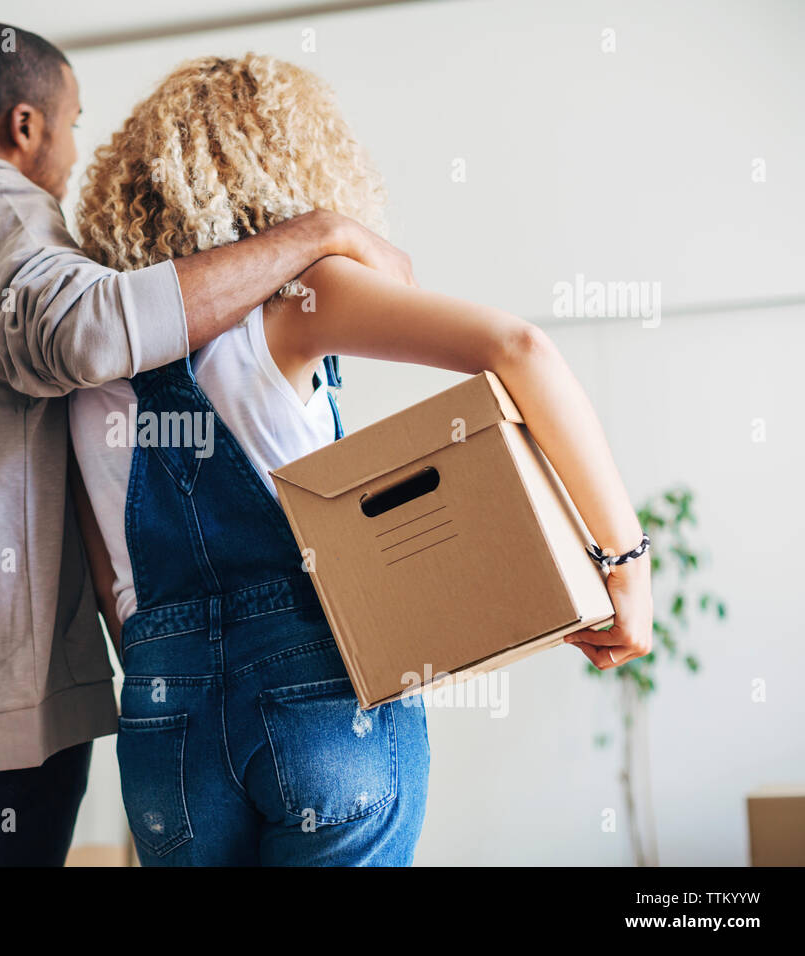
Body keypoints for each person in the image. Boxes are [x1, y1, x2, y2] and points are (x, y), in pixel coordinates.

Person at [0, 26, 409, 866]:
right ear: (25, 125)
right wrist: (312, 235)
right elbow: (85, 330)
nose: (76, 154)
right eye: (73, 123)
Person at [69, 54, 653, 866]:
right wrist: (624, 566)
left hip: (165, 723)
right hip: (318, 697)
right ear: (290, 167)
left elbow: (111, 585)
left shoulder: (87, 366)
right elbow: (517, 347)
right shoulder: (298, 303)